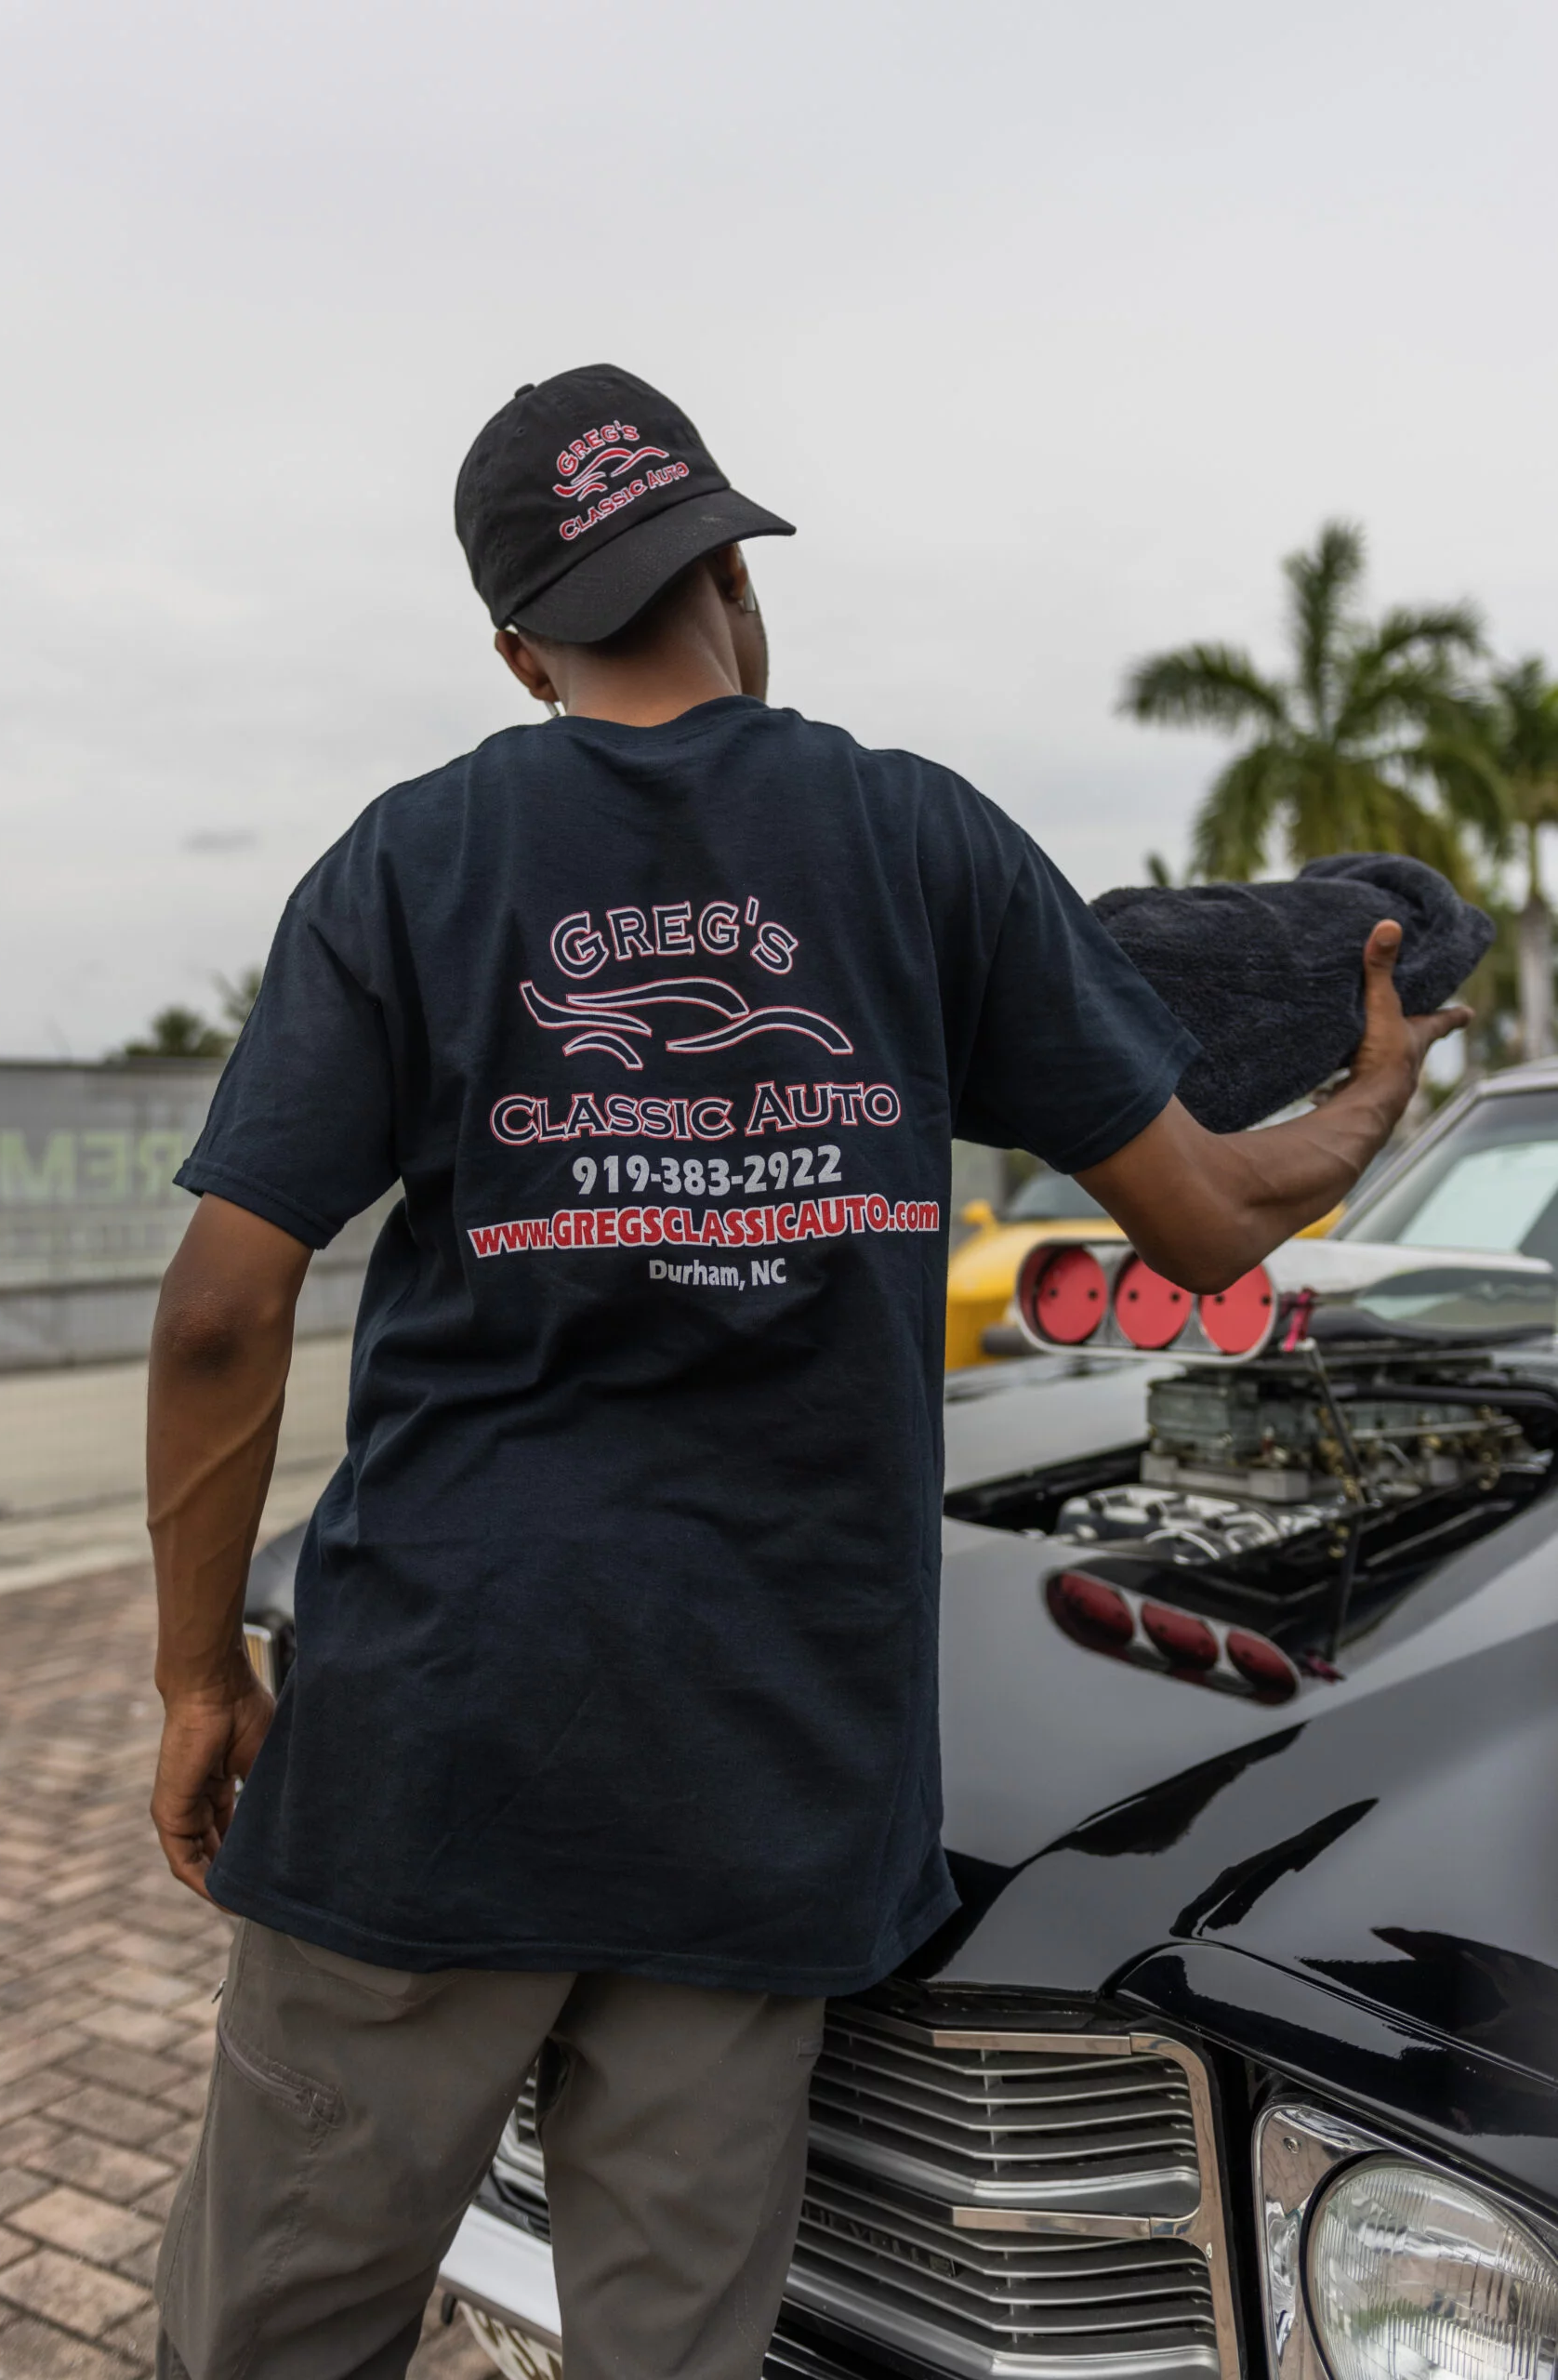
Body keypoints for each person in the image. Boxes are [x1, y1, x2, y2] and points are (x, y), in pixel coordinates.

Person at [146, 364, 1466, 2380]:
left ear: (520, 644)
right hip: (764, 1777)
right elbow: (1201, 1219)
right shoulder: (918, 839)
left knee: (266, 2339)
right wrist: (1368, 1104)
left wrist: (192, 1673)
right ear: (734, 572)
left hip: (426, 1759)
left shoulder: (413, 861)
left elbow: (225, 1305)